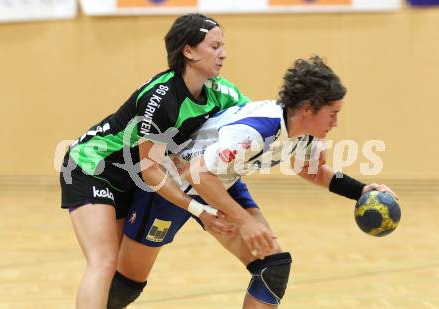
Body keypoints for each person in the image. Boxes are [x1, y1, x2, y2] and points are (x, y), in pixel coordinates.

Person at [107, 55, 398, 308]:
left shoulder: (305, 134)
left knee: (272, 267)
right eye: (332, 114)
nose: (336, 122)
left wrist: (361, 190)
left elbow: (309, 170)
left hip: (219, 181)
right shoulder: (257, 130)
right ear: (308, 108)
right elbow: (197, 174)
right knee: (127, 286)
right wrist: (244, 221)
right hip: (173, 184)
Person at [59, 13, 276, 309]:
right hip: (91, 166)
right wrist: (200, 209)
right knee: (104, 261)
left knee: (124, 281)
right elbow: (150, 170)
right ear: (188, 51)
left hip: (129, 177)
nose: (223, 53)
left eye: (223, 45)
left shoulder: (220, 91)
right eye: (214, 46)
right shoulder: (162, 98)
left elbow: (253, 120)